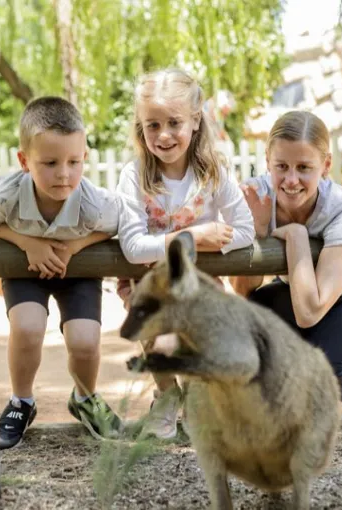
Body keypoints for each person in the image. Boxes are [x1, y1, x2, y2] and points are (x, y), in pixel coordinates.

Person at [115, 67, 255, 438]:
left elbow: (245, 230)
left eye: (174, 122)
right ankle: (165, 396)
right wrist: (193, 236)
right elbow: (132, 247)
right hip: (150, 284)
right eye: (152, 125)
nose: (163, 135)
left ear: (195, 121)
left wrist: (215, 241)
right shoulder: (134, 176)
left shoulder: (213, 172)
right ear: (140, 126)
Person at [230, 110, 342, 415]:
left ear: (326, 165)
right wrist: (255, 234)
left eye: (304, 168)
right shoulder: (255, 197)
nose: (291, 180)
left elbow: (309, 313)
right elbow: (243, 292)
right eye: (281, 166)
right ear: (267, 160)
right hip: (297, 293)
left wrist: (295, 236)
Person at [0, 96, 124, 449]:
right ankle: (22, 401)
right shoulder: (6, 197)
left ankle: (85, 397)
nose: (63, 173)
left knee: (84, 341)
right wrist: (26, 243)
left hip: (75, 270)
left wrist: (76, 247)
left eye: (74, 162)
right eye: (49, 163)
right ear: (24, 161)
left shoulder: (95, 203)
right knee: (28, 327)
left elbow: (114, 226)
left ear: (85, 158)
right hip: (25, 267)